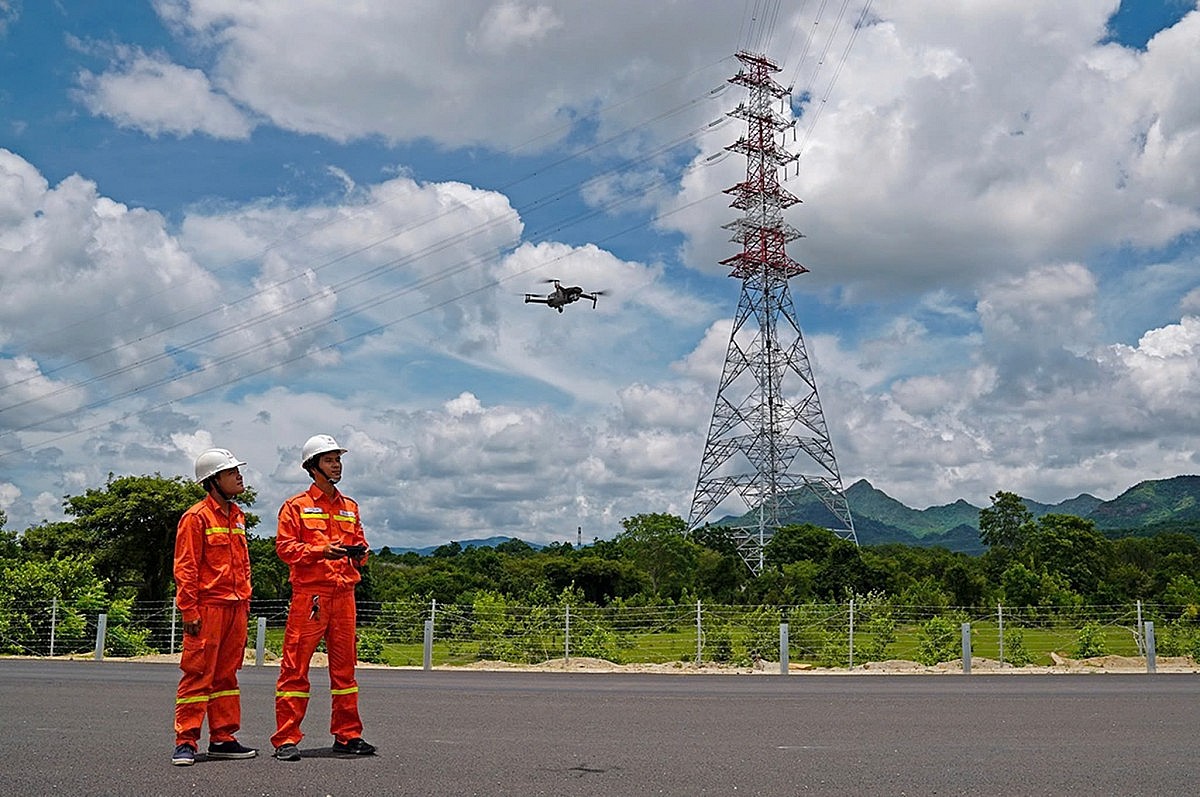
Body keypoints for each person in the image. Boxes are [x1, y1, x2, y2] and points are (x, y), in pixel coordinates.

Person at [271, 434, 376, 761]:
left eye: (338, 459)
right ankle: (286, 739)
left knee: (345, 671)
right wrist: (320, 551)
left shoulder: (350, 507)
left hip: (345, 595)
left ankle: (348, 735)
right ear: (313, 466)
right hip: (311, 596)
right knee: (295, 668)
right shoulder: (295, 507)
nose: (337, 465)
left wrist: (360, 555)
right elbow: (285, 548)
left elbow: (361, 544)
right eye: (330, 460)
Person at [172, 448, 257, 766]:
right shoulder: (196, 517)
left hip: (236, 609)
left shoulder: (237, 516)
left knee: (226, 676)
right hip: (207, 609)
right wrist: (189, 610)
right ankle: (186, 741)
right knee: (198, 675)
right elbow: (186, 568)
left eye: (238, 470)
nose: (239, 475)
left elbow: (243, 565)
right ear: (212, 480)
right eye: (231, 471)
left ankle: (223, 737)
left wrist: (246, 601)